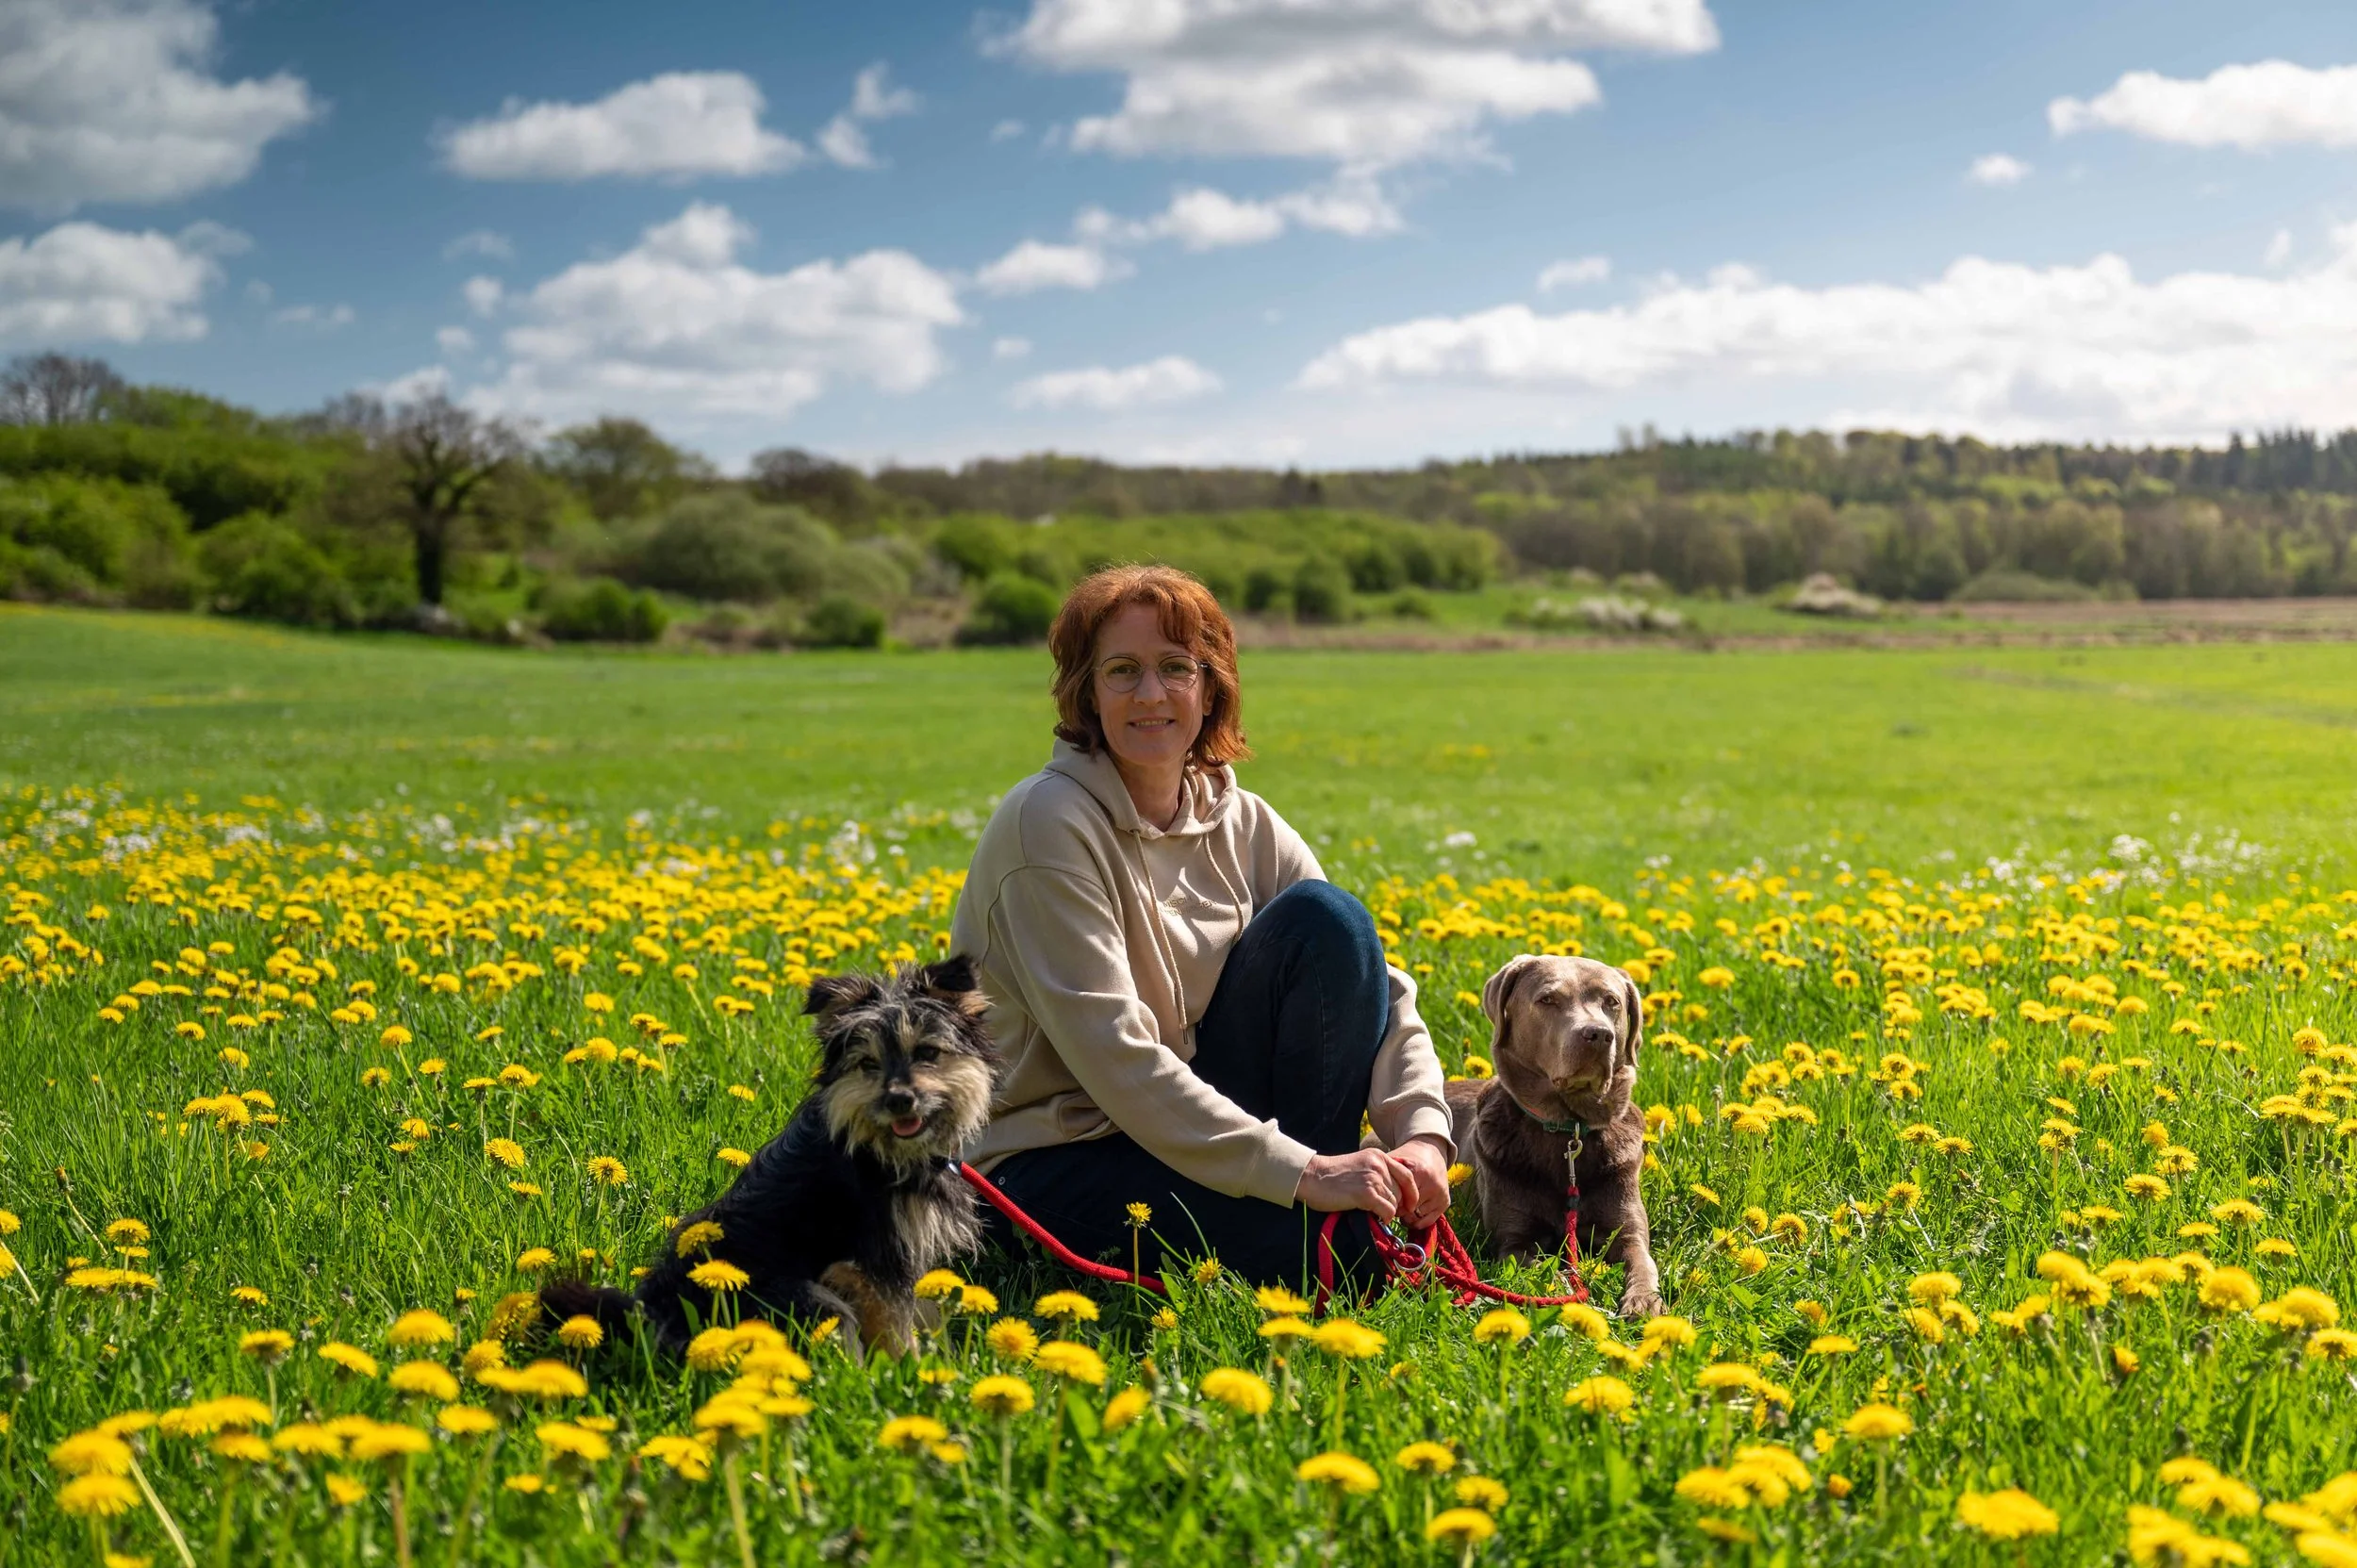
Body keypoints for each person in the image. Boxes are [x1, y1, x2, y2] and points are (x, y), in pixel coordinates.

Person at [950, 564, 1455, 1290]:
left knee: (1330, 920)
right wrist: (1304, 1171)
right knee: (1342, 1260)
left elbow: (1381, 988)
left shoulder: (1243, 819)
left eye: (1174, 668)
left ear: (1210, 685)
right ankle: (1329, 1223)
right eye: (1121, 670)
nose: (1150, 694)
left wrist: (1423, 1137)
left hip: (1189, 1125)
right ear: (1085, 692)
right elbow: (1120, 1062)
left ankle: (1337, 1209)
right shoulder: (1046, 827)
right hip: (1050, 1157)